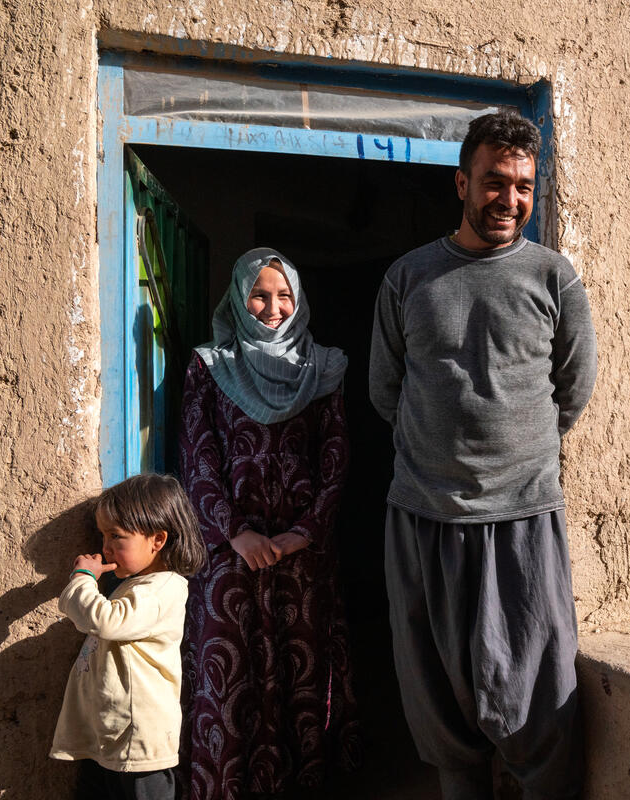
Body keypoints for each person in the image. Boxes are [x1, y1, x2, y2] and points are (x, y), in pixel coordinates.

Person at [368, 111, 598, 800]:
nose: (510, 199)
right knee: (439, 707)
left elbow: (573, 391)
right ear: (462, 182)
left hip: (522, 520)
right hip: (422, 517)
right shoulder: (408, 280)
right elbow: (385, 390)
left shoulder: (555, 281)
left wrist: (512, 447)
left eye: (524, 186)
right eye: (495, 182)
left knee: (539, 704)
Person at [179, 247, 358, 798]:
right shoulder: (209, 364)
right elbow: (198, 455)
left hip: (299, 560)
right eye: (260, 294)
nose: (273, 307)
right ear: (238, 297)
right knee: (234, 681)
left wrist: (302, 532)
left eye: (284, 295)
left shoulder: (324, 367)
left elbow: (336, 459)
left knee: (302, 683)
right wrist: (235, 532)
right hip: (231, 558)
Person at [50, 473, 207, 800]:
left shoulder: (163, 587)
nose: (104, 549)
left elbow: (106, 621)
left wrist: (82, 579)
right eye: (103, 536)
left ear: (158, 540)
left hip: (139, 743)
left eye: (116, 537)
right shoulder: (133, 586)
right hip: (115, 737)